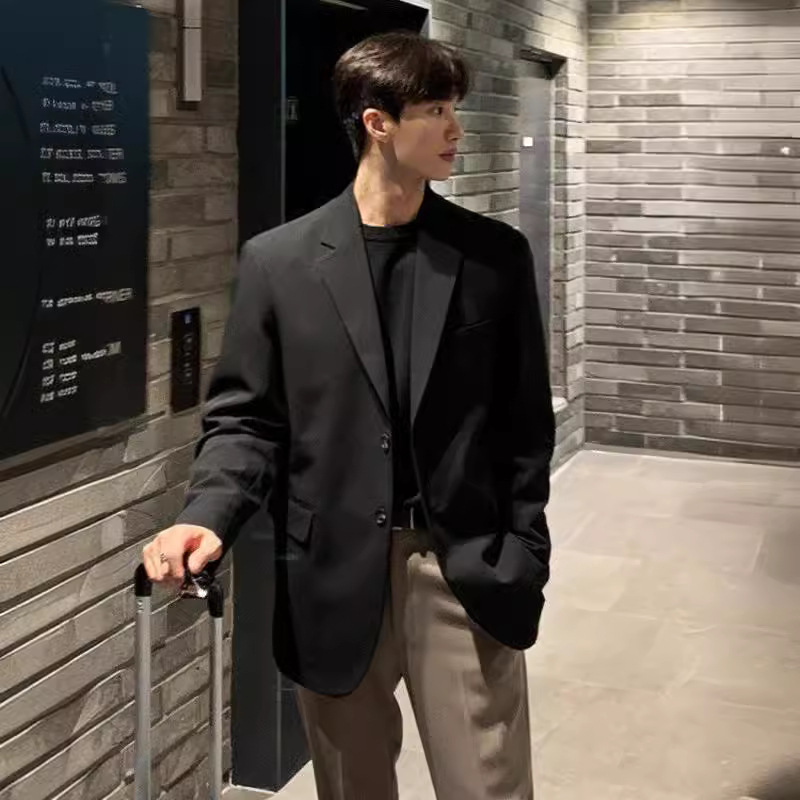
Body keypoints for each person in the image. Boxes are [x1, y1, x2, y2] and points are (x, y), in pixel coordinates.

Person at [143, 30, 554, 800]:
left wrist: (522, 549)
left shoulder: (492, 255)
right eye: (437, 110)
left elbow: (524, 420)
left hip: (462, 564)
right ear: (377, 123)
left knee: (490, 786)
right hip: (330, 569)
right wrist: (207, 515)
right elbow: (247, 420)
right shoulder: (279, 261)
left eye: (454, 108)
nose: (457, 127)